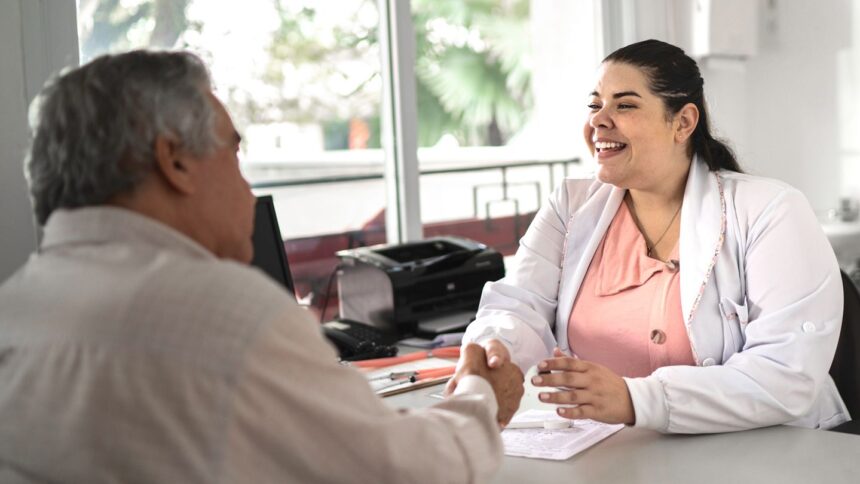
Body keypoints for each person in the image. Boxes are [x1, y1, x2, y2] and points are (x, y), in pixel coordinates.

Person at [0, 50, 523, 483]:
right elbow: (408, 470)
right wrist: (481, 398)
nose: (248, 190)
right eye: (234, 154)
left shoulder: (16, 307)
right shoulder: (222, 312)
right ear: (174, 161)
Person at [451, 39, 850, 433]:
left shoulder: (770, 209)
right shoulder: (571, 205)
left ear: (683, 122)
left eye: (624, 105)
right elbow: (519, 304)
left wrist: (635, 399)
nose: (599, 120)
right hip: (617, 448)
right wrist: (493, 352)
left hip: (767, 448)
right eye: (594, 105)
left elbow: (785, 374)